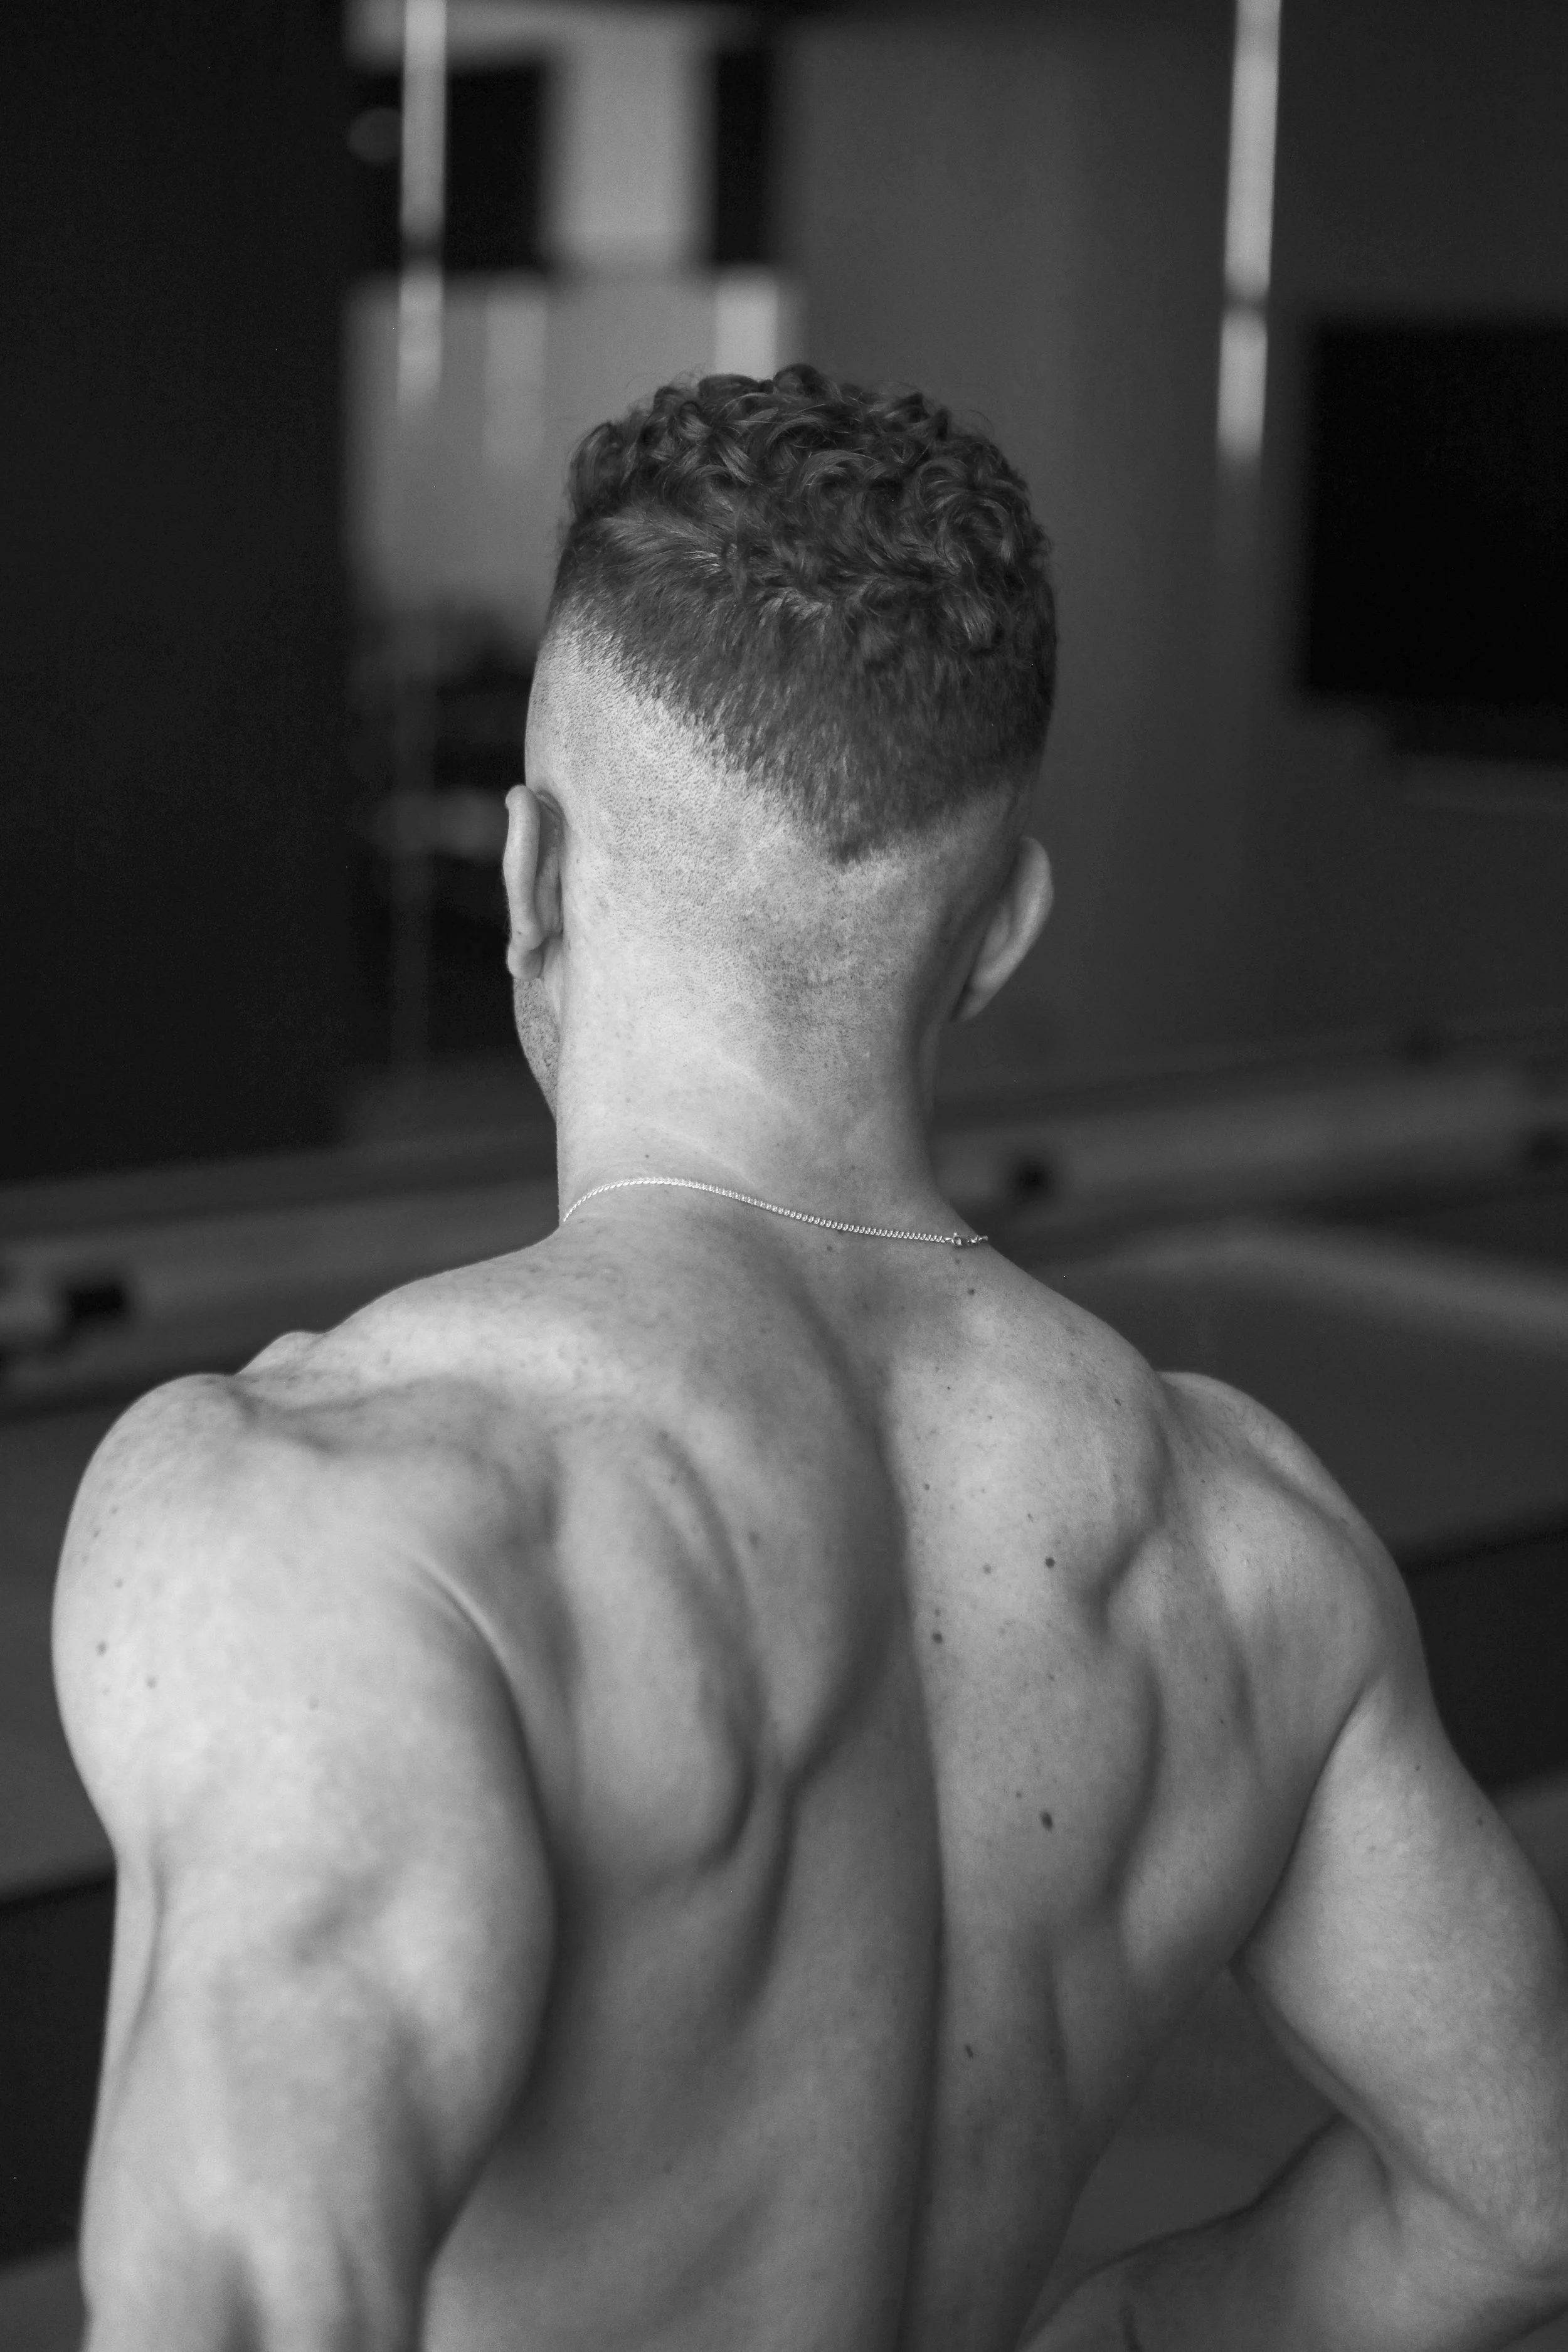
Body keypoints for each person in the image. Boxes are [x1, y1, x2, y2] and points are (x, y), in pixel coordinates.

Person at [56, 365, 1568, 2352]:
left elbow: (247, 2303)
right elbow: (1519, 2203)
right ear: (1000, 928)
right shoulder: (1239, 1541)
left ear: (527, 877)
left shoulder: (350, 1507)